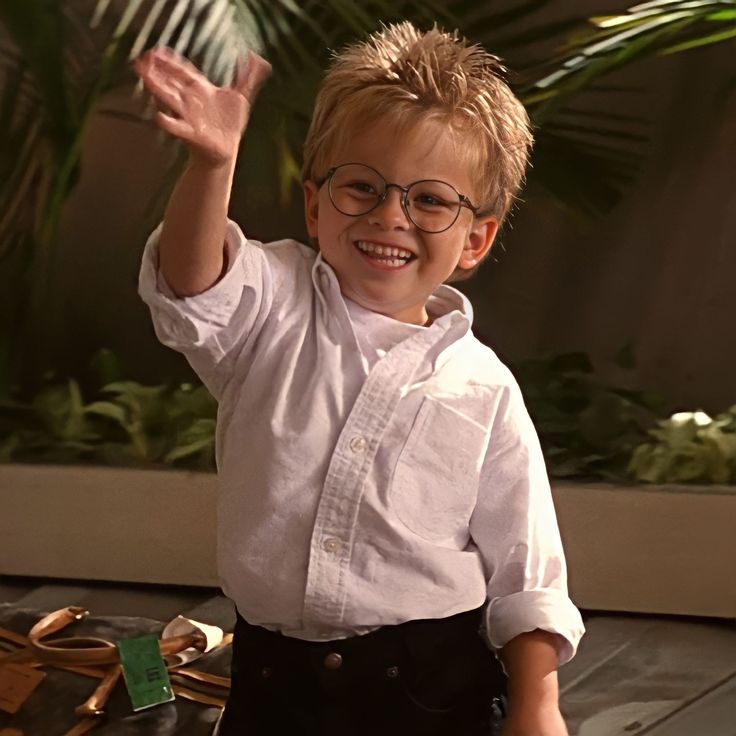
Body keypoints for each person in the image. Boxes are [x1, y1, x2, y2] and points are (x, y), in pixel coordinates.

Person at [135, 21, 585, 736]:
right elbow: (192, 289)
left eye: (430, 200)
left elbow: (525, 567)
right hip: (271, 683)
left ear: (477, 238)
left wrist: (537, 704)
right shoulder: (270, 307)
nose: (389, 216)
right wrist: (211, 165)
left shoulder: (483, 387)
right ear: (315, 204)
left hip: (429, 689)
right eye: (363, 187)